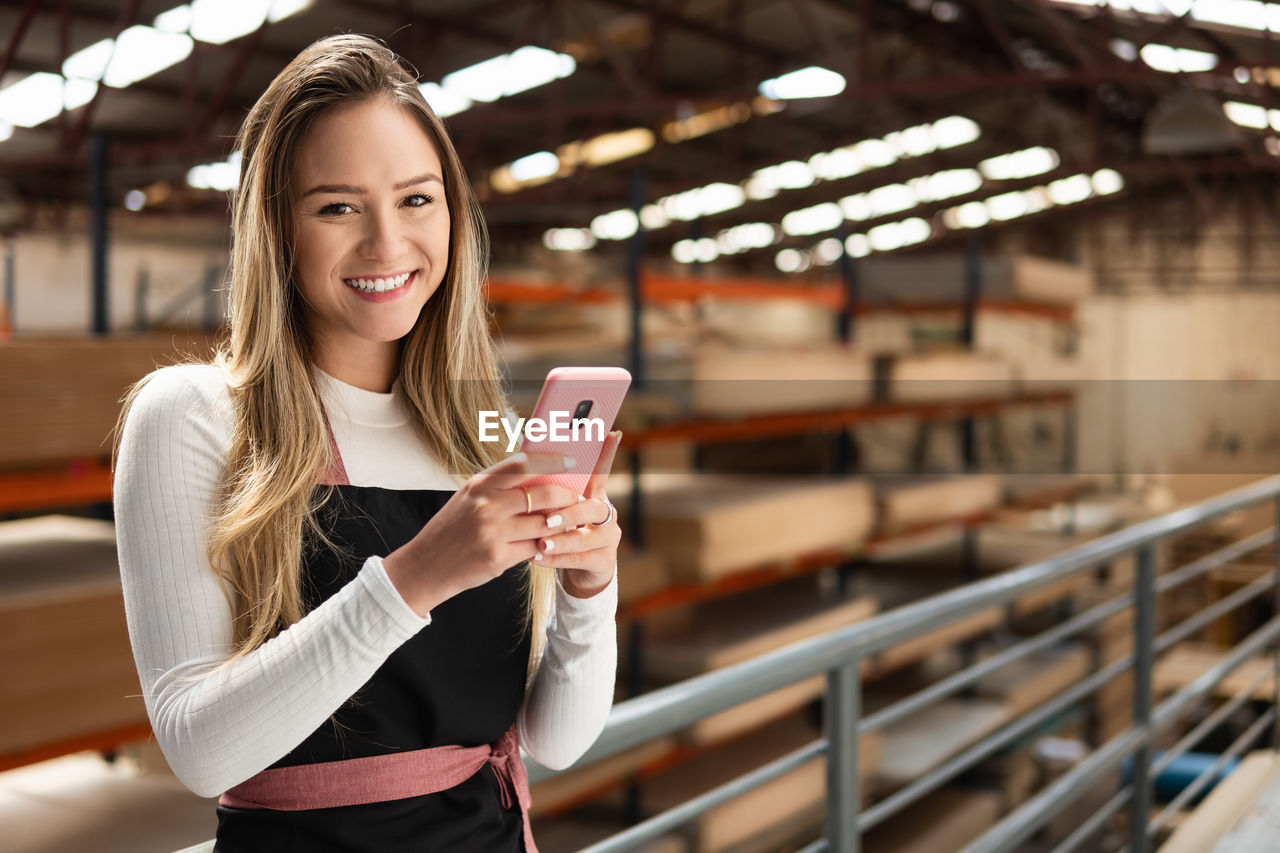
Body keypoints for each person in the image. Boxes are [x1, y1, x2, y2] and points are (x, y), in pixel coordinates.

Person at [111, 33, 621, 853]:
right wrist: (418, 575)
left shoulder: (476, 434)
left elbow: (553, 740)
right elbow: (199, 751)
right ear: (277, 229)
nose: (387, 244)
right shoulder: (194, 415)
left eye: (417, 200)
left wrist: (593, 587)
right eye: (337, 206)